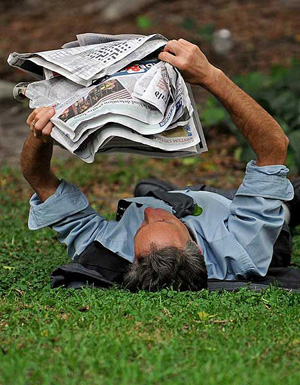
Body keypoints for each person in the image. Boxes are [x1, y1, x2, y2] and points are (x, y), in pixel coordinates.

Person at [21, 39, 299, 292]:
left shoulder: (108, 247)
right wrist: (211, 77)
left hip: (180, 196)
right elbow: (274, 146)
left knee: (152, 192)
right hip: (232, 208)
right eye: (165, 220)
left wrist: (38, 138)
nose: (152, 213)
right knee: (285, 202)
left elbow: (40, 180)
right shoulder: (242, 243)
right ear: (197, 248)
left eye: (144, 224)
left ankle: (162, 193)